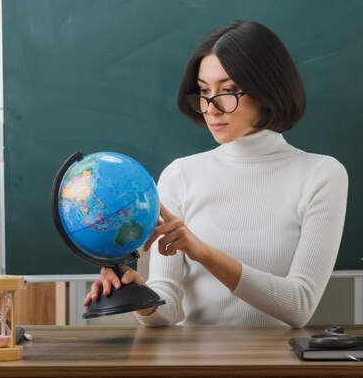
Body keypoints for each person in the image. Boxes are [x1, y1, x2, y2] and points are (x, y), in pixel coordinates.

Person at [83, 20, 348, 328]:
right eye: (204, 92)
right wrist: (139, 296)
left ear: (267, 89)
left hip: (278, 363)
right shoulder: (180, 174)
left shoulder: (322, 174)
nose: (211, 108)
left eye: (229, 90)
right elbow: (166, 306)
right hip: (195, 363)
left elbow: (299, 305)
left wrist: (205, 253)